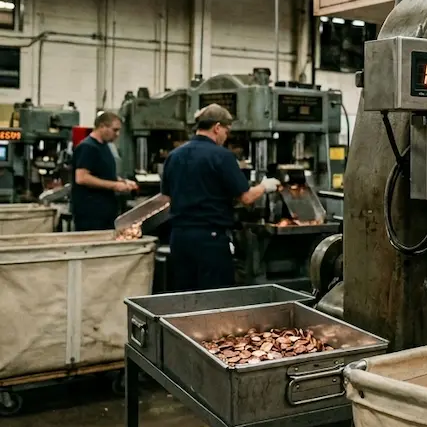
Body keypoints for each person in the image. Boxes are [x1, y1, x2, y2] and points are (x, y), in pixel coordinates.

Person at [161, 104, 280, 292]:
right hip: (210, 240)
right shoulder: (222, 156)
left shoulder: (174, 156)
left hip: (179, 239)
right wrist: (265, 186)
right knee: (214, 299)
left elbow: (167, 196)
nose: (226, 137)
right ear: (217, 127)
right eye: (226, 131)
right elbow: (247, 198)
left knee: (183, 298)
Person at [72, 112, 136, 231]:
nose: (117, 134)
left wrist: (122, 181)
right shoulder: (87, 147)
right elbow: (81, 178)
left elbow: (102, 173)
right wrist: (114, 185)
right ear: (102, 127)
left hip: (105, 212)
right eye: (115, 130)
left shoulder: (105, 147)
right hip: (90, 214)